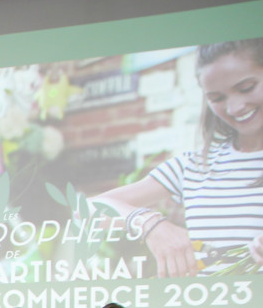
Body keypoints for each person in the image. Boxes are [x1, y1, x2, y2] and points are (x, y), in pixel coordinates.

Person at [91, 39, 263, 276]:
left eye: (246, 88)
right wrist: (149, 224)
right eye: (217, 98)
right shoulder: (194, 165)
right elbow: (89, 210)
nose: (234, 108)